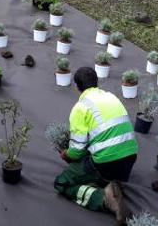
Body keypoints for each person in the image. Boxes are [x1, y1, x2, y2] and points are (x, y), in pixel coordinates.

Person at [53, 67, 138, 225]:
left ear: (77, 86)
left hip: (107, 163)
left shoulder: (81, 107)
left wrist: (67, 154)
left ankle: (105, 198)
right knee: (96, 157)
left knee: (62, 182)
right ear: (96, 82)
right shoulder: (112, 97)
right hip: (129, 159)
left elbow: (77, 150)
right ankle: (111, 182)